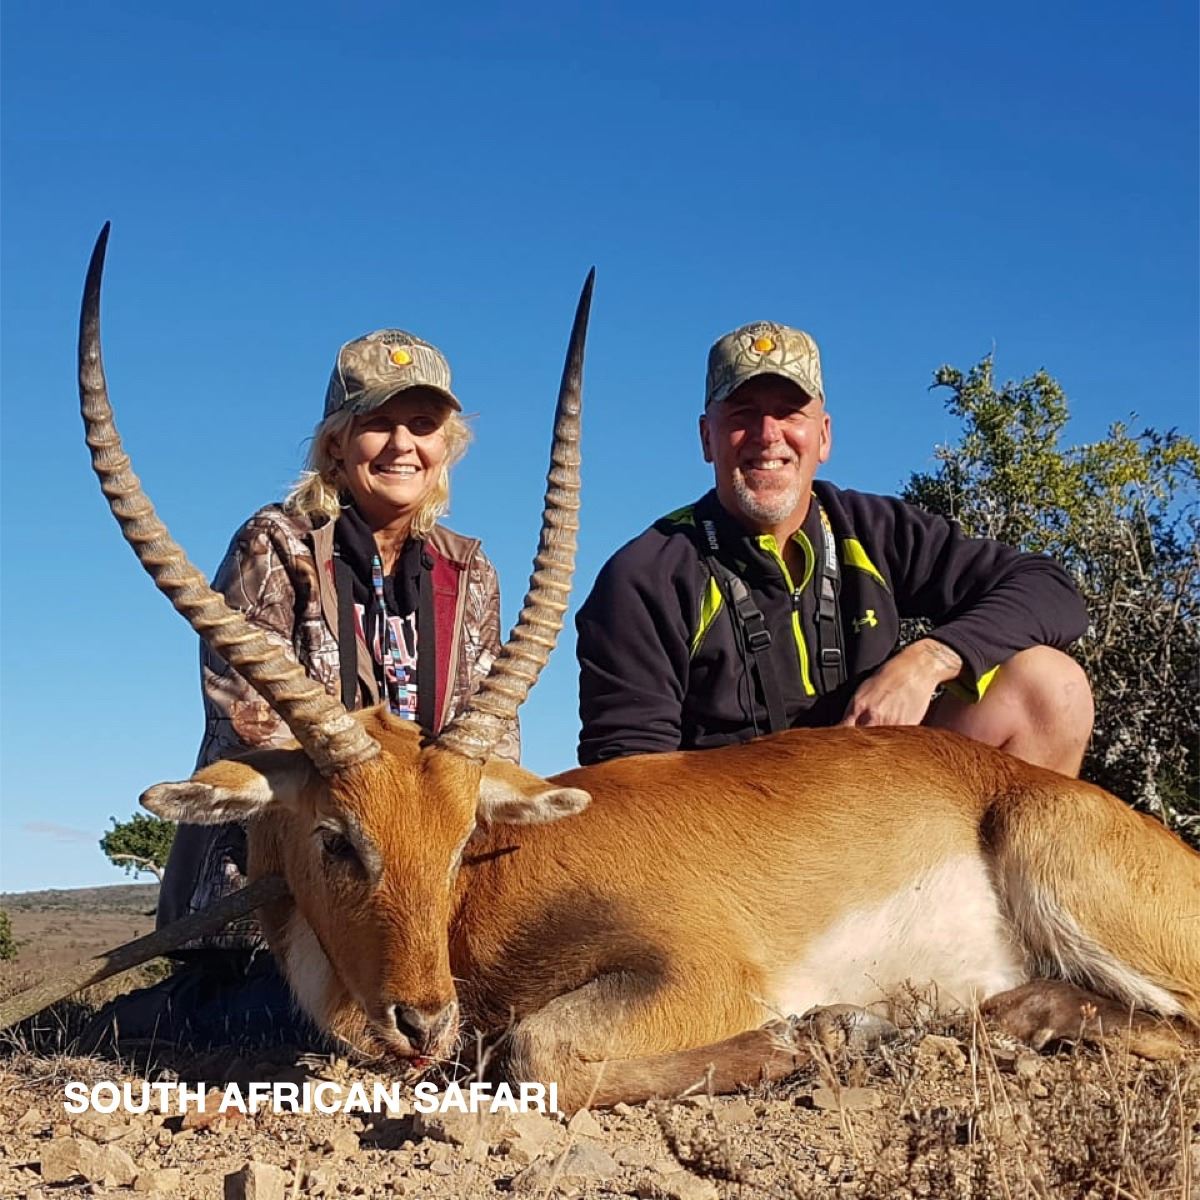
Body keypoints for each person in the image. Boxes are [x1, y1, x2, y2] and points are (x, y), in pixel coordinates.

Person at [89, 328, 517, 1048]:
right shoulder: (274, 545)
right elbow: (252, 727)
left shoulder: (469, 571)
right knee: (286, 1028)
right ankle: (151, 1018)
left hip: (422, 901)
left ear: (447, 446)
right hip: (280, 886)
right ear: (335, 444)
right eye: (377, 423)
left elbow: (490, 746)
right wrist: (377, 776)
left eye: (422, 425)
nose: (402, 445)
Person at [576, 321, 1093, 774]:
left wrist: (928, 660)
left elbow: (1049, 588)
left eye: (790, 413)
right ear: (707, 438)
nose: (767, 435)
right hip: (736, 835)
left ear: (823, 436)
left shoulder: (872, 528)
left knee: (1050, 687)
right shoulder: (646, 575)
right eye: (741, 414)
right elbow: (628, 774)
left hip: (880, 804)